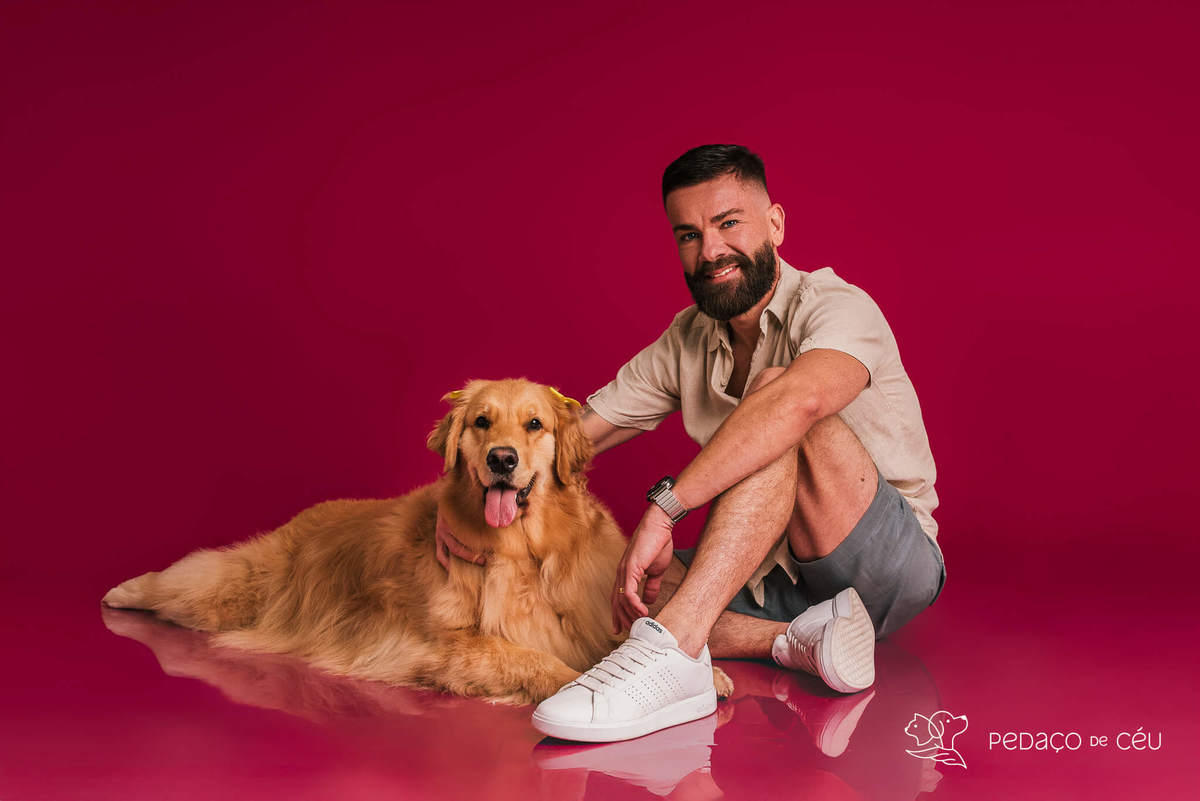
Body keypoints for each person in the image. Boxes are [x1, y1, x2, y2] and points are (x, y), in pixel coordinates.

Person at [439, 144, 945, 743]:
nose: (709, 252)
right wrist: (468, 499)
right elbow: (571, 433)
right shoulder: (688, 339)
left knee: (777, 395)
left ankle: (675, 657)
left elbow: (797, 405)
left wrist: (666, 507)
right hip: (772, 583)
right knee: (607, 589)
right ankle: (799, 640)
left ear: (776, 224)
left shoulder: (840, 306)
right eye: (688, 235)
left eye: (728, 223)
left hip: (887, 563)